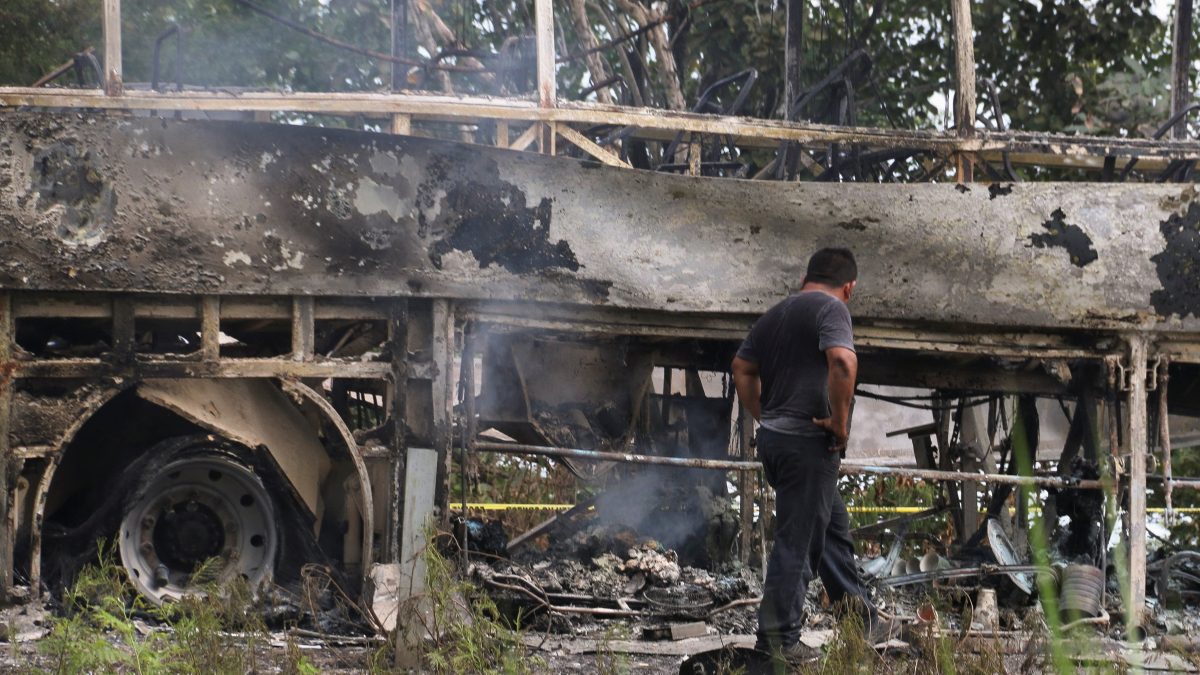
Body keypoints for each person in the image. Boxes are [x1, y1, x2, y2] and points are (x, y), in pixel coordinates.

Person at [731, 247, 890, 662]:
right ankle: (777, 643)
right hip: (808, 444)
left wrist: (766, 415)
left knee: (832, 527)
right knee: (798, 543)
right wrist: (839, 423)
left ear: (808, 276)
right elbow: (842, 362)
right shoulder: (832, 309)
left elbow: (741, 369)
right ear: (849, 286)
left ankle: (861, 618)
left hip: (777, 443)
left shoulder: (775, 315)